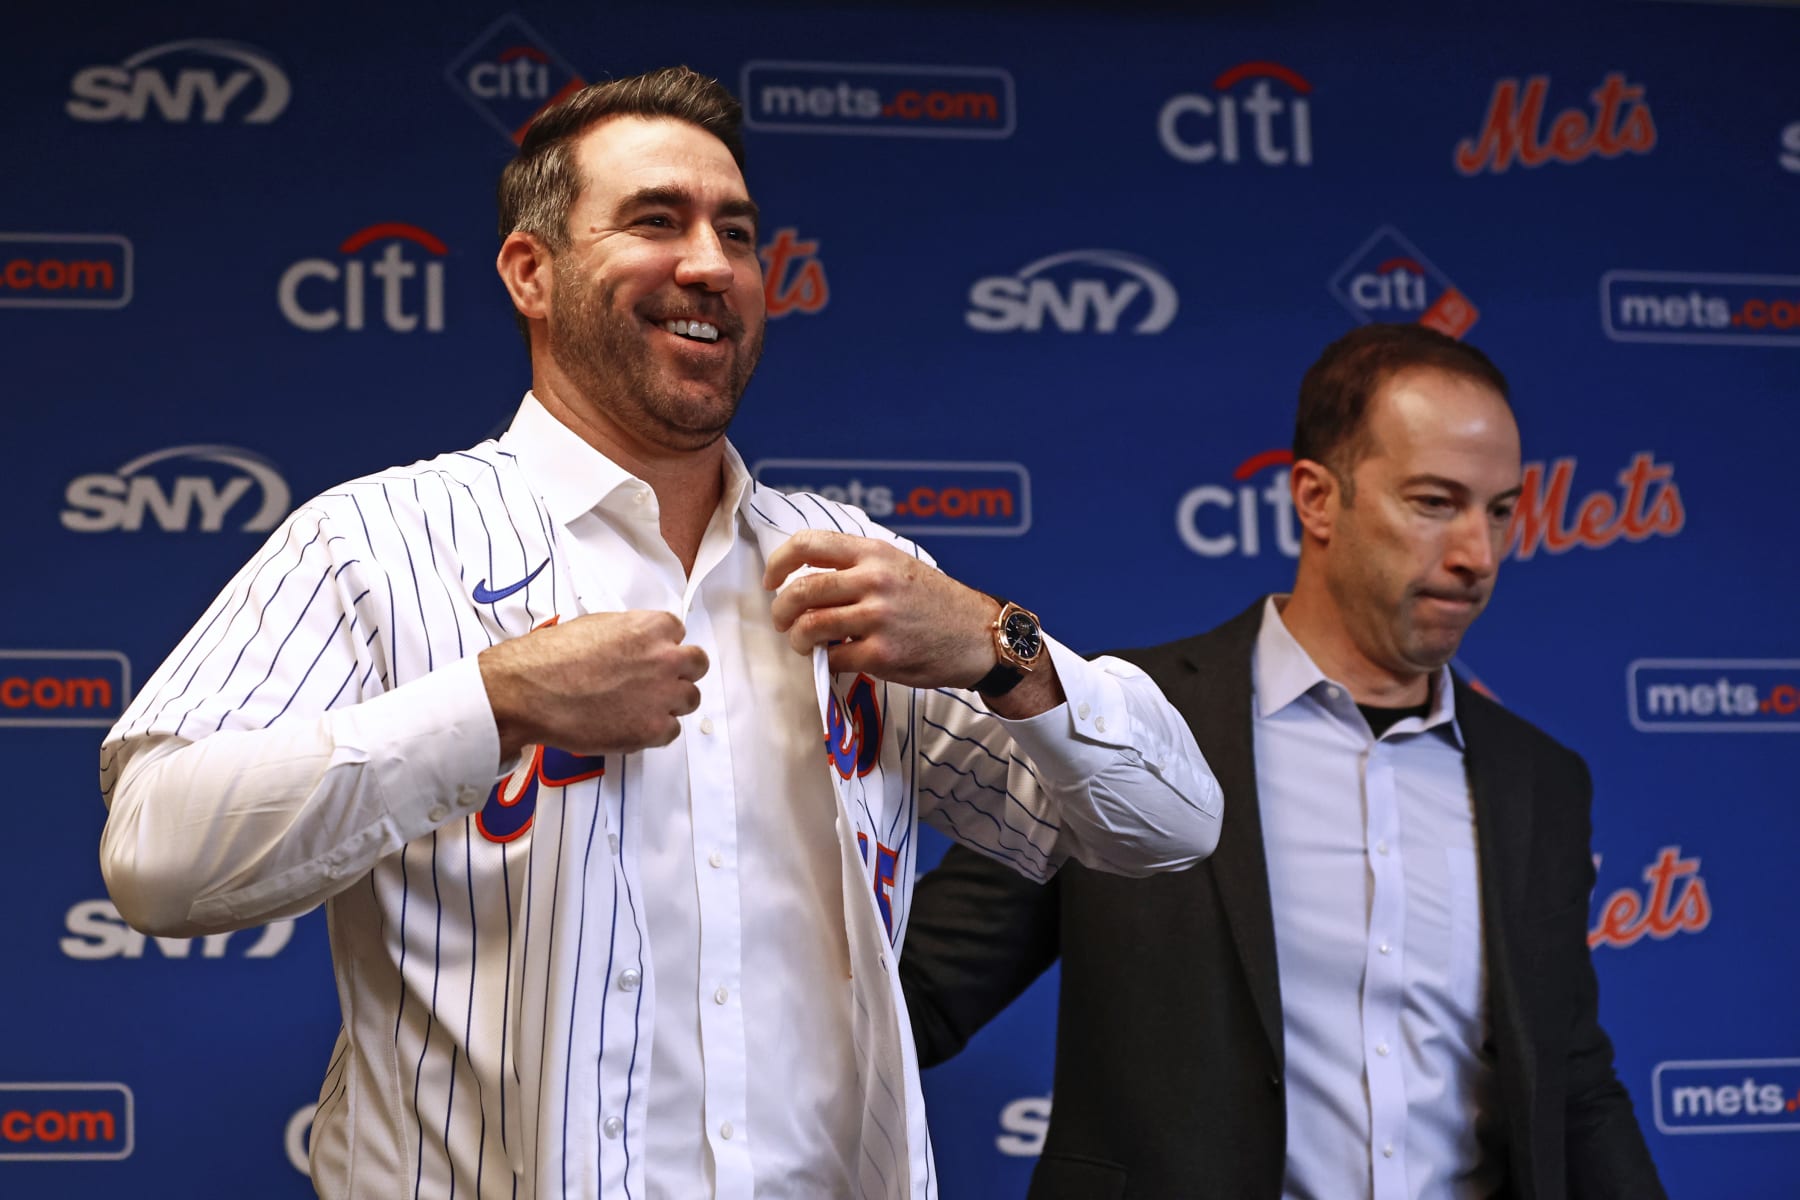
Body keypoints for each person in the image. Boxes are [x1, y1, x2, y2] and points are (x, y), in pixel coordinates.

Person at [95, 67, 1223, 1200]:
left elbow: (1171, 827)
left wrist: (997, 643)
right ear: (530, 273)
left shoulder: (854, 570)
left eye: (736, 232)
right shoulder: (378, 541)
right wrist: (492, 702)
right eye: (654, 221)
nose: (710, 264)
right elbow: (156, 857)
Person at [899, 324, 1666, 1199]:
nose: (1477, 557)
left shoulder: (1543, 782)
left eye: (1499, 511)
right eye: (1433, 502)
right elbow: (917, 993)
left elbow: (1570, 1083)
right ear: (1315, 500)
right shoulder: (1127, 725)